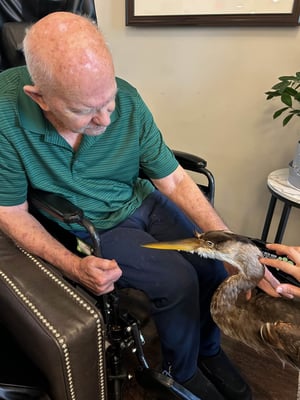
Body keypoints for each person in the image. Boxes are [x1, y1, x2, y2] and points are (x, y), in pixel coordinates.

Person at [0, 12, 280, 400]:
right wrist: (75, 266)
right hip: (88, 225)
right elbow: (11, 213)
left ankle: (208, 351)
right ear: (39, 97)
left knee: (214, 264)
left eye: (108, 100)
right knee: (177, 281)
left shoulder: (126, 100)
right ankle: (179, 372)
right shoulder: (5, 115)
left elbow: (176, 179)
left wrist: (237, 249)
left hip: (141, 200)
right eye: (84, 111)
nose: (104, 118)